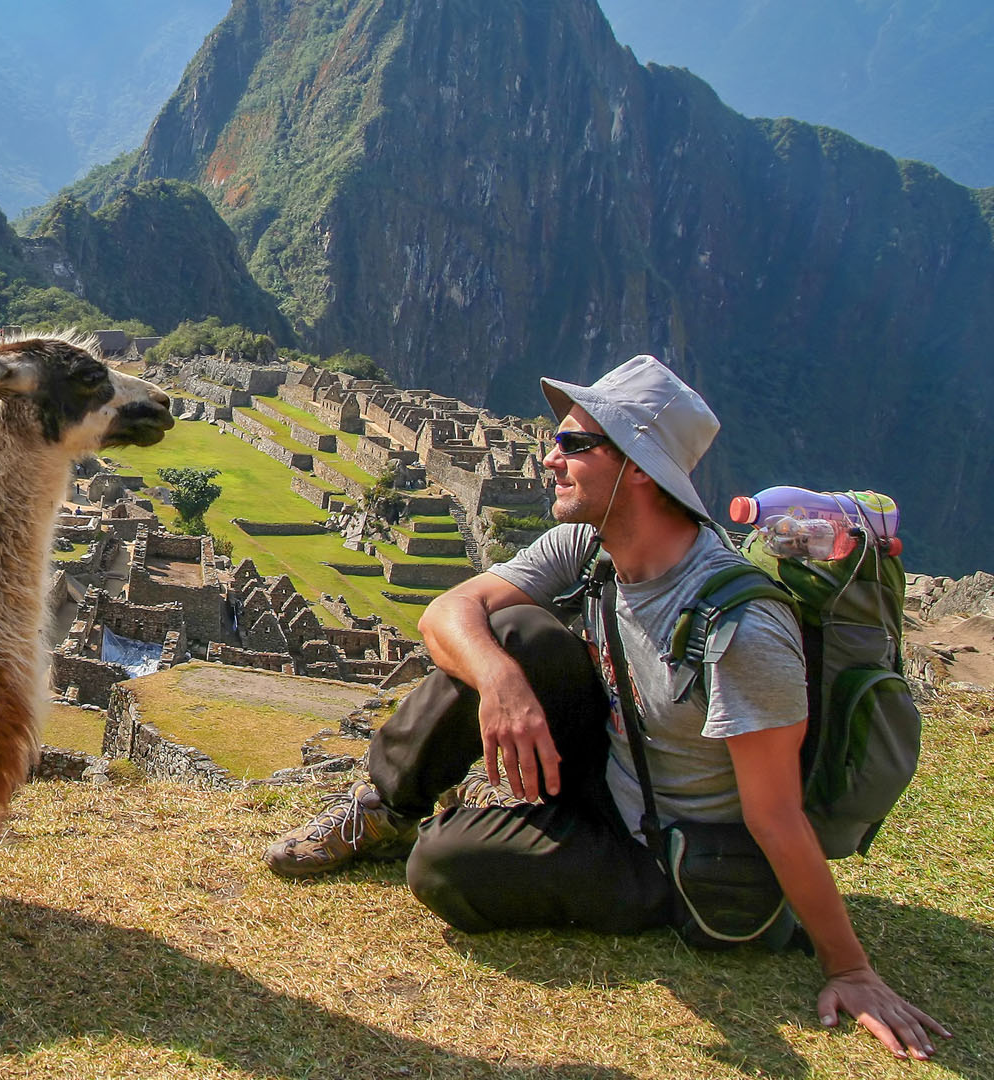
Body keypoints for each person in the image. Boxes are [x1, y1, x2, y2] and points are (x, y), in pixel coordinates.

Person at [263, 355, 951, 1062]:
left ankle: (472, 833)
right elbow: (448, 612)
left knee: (443, 867)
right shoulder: (588, 546)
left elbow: (774, 815)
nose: (549, 459)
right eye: (554, 441)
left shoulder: (740, 630)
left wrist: (850, 969)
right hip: (608, 771)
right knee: (507, 634)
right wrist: (501, 683)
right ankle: (380, 810)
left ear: (642, 468)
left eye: (573, 445)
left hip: (666, 854)